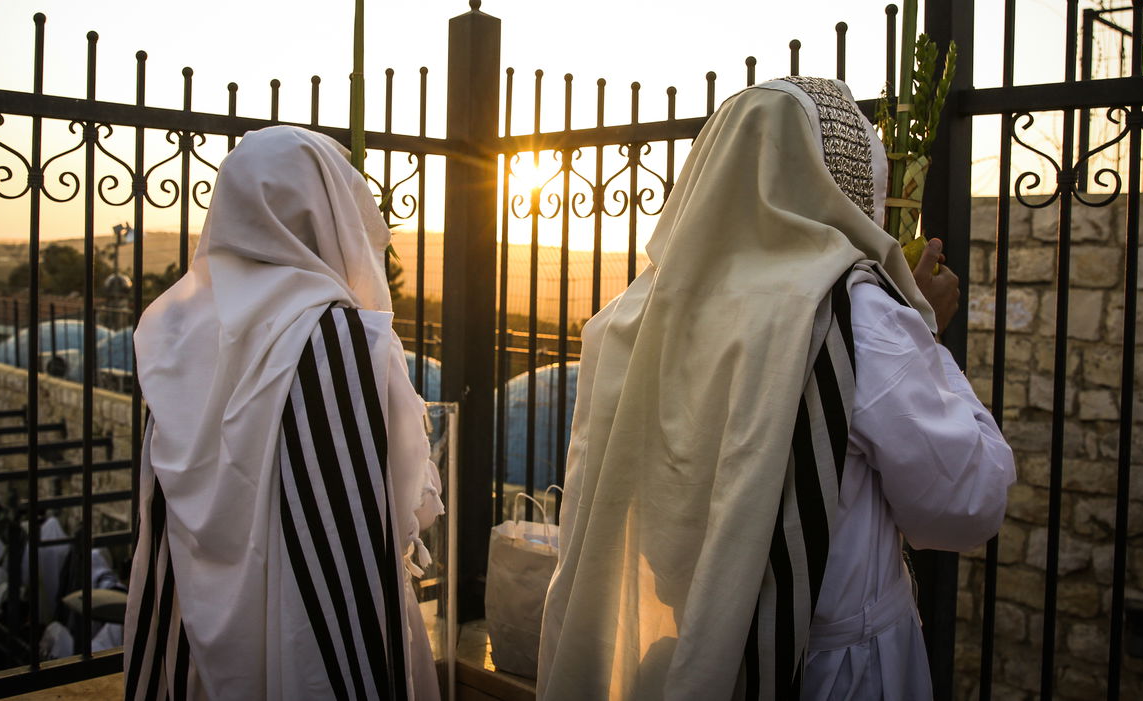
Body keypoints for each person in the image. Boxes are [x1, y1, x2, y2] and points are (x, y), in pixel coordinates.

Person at [537, 77, 1014, 701]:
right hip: (832, 673)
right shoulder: (855, 316)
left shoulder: (636, 314)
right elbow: (966, 502)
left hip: (696, 654)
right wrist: (924, 332)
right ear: (844, 184)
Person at [123, 126, 442, 700]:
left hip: (194, 626)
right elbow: (402, 507)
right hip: (315, 632)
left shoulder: (173, 331)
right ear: (329, 213)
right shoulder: (348, 340)